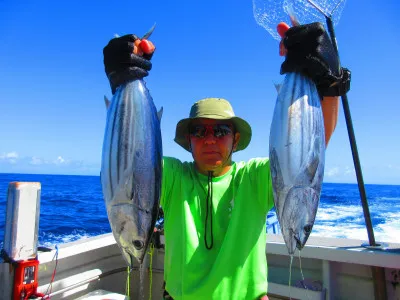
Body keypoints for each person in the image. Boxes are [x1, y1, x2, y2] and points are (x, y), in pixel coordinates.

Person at [103, 22, 350, 300]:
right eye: (199, 131)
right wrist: (122, 80)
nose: (210, 139)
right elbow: (132, 159)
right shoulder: (171, 177)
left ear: (235, 139)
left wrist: (331, 84)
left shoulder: (254, 179)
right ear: (189, 140)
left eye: (220, 131)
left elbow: (311, 151)